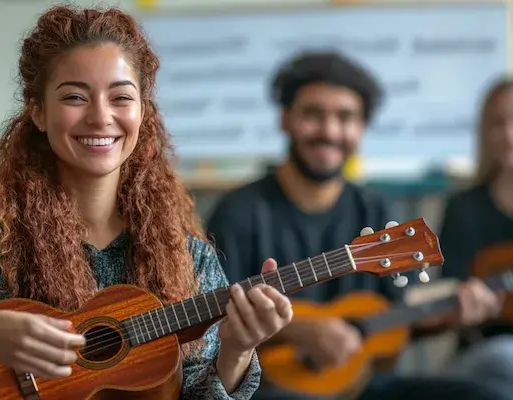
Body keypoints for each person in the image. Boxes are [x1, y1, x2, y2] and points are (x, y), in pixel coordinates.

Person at [0, 5, 293, 399]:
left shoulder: (189, 257)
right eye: (75, 97)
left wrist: (237, 350)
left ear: (142, 112)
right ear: (38, 112)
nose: (100, 117)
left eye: (121, 97)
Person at [206, 51, 505, 399]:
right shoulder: (239, 211)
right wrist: (297, 330)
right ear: (286, 119)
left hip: (360, 385)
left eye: (345, 117)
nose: (329, 130)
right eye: (313, 114)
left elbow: (396, 320)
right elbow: (211, 322)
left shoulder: (374, 209)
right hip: (266, 388)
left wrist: (445, 316)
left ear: (361, 128)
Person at [439, 77, 513, 391]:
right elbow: (449, 292)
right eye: (497, 123)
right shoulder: (463, 208)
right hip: (483, 350)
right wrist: (462, 301)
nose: (508, 134)